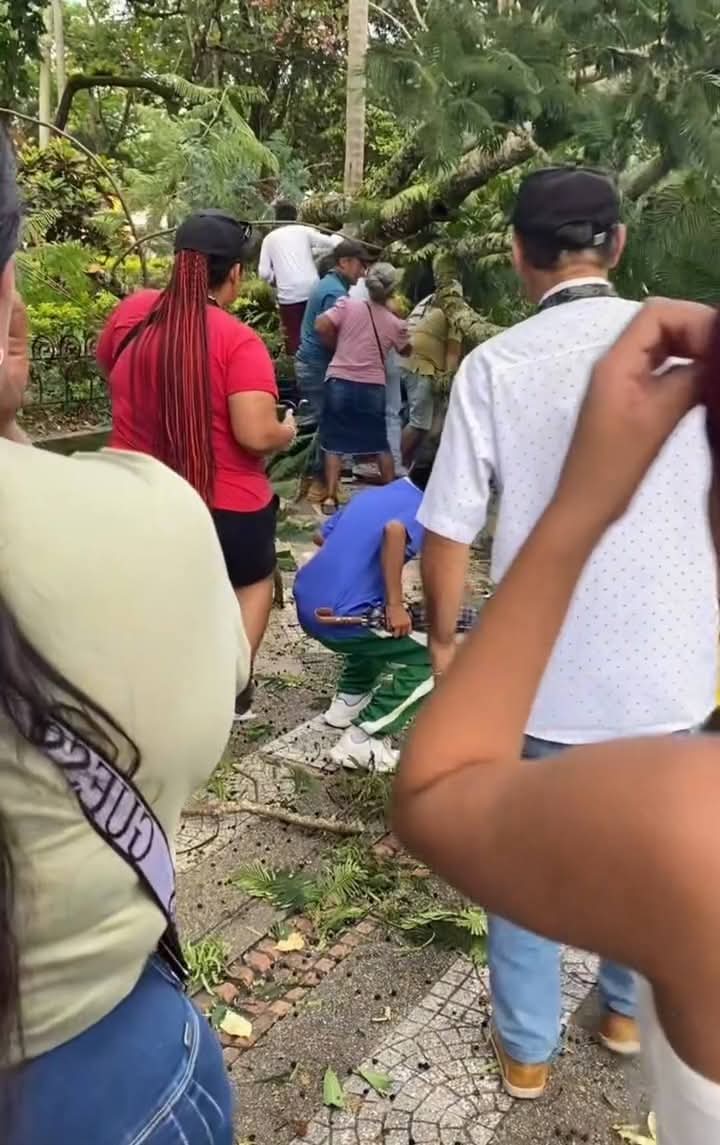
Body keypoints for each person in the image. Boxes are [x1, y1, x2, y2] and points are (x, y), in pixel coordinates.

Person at [418, 168, 717, 1095]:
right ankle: (627, 1009)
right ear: (618, 245)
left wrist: (445, 646)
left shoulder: (495, 366)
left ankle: (526, 1052)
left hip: (543, 676)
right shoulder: (687, 357)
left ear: (517, 255)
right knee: (659, 841)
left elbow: (447, 527)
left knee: (521, 862)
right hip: (678, 667)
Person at [0, 127, 243, 1144]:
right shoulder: (234, 343)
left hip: (128, 482)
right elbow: (261, 424)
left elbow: (111, 383)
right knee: (239, 621)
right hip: (204, 514)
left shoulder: (129, 321)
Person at [98, 209, 296, 717]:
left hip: (134, 495)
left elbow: (111, 368)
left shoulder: (133, 313)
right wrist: (287, 429)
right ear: (233, 274)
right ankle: (232, 687)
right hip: (222, 505)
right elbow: (255, 434)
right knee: (251, 580)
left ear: (177, 263)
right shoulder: (238, 340)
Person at [293, 456, 435, 770]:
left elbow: (321, 536)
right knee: (435, 653)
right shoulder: (429, 506)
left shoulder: (378, 494)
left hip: (307, 598)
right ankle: (365, 737)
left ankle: (348, 700)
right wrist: (395, 605)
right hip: (337, 619)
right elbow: (395, 532)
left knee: (377, 626)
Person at [315, 263, 410, 513]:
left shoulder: (347, 305)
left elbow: (321, 324)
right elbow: (406, 349)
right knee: (379, 441)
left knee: (333, 440)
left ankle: (330, 498)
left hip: (339, 380)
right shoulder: (394, 322)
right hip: (372, 386)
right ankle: (390, 497)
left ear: (367, 282)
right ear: (392, 290)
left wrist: (337, 346)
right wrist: (398, 319)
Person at [295, 240, 371, 503]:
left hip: (312, 363)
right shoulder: (334, 293)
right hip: (318, 365)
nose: (362, 273)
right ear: (344, 262)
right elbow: (325, 328)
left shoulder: (329, 285)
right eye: (360, 266)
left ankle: (316, 483)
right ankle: (321, 484)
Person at [258, 200, 343, 355]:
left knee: (294, 339)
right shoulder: (304, 230)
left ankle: (298, 372)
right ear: (295, 217)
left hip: (288, 296)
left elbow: (263, 272)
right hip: (312, 290)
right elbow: (331, 243)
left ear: (276, 219)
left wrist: (273, 279)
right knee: (316, 332)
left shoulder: (269, 239)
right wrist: (340, 236)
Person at [400, 293, 462, 467]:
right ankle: (397, 465)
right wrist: (448, 384)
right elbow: (452, 353)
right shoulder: (455, 311)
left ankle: (403, 464)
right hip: (422, 367)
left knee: (405, 419)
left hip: (400, 362)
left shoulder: (427, 299)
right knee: (420, 424)